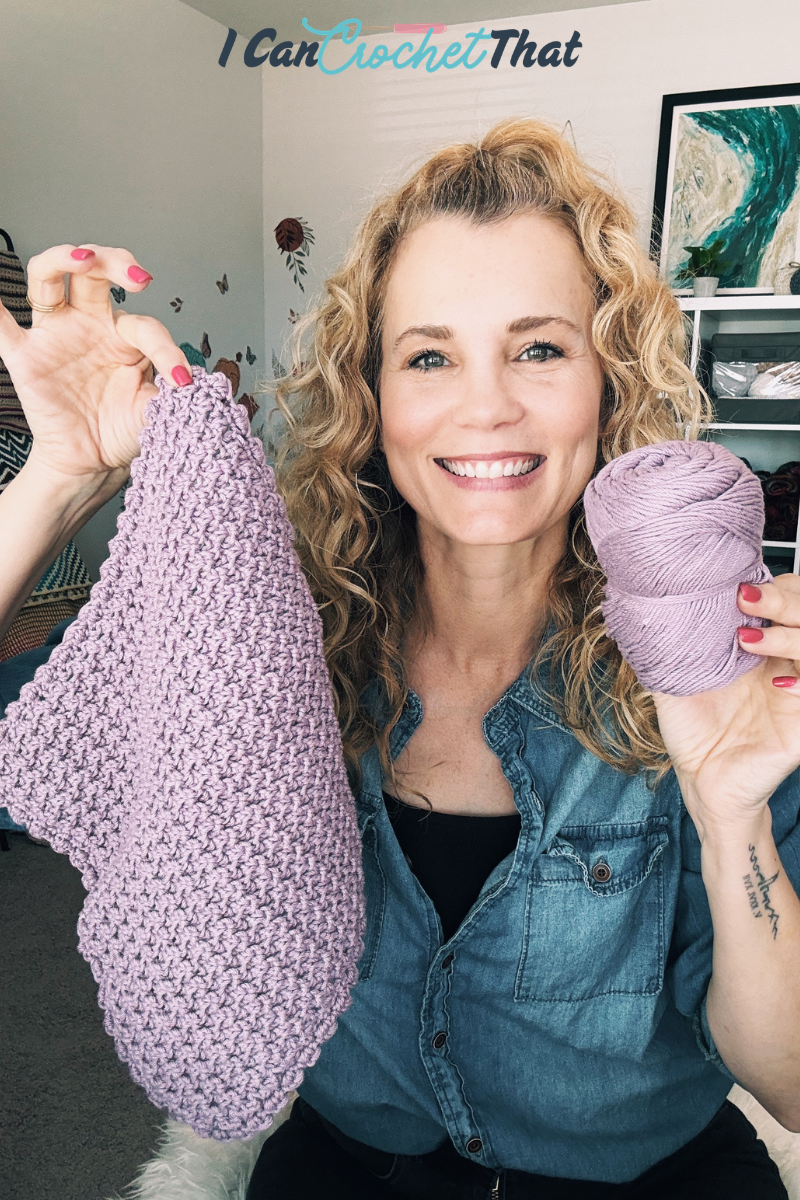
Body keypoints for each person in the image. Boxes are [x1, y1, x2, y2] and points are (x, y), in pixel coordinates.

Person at [1, 119, 799, 1199]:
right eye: (429, 356)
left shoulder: (707, 663)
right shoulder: (263, 633)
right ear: (370, 394)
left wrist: (730, 809)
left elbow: (789, 1083)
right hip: (346, 1166)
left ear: (609, 378)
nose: (485, 406)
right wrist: (56, 476)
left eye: (539, 348)